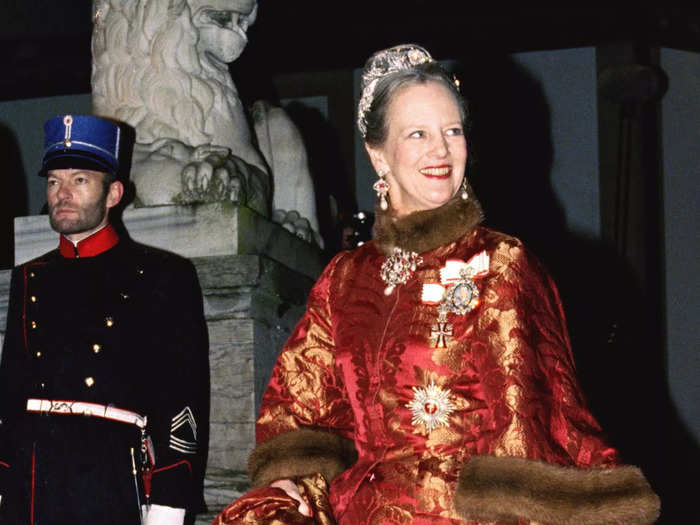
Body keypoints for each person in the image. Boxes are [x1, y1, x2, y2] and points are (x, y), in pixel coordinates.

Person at [211, 45, 659, 524]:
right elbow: (300, 404)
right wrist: (289, 477)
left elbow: (528, 419)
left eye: (452, 130)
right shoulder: (344, 277)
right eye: (418, 133)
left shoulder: (502, 262)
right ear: (378, 154)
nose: (441, 150)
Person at [0, 115, 210, 524]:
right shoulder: (29, 277)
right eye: (54, 181)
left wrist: (169, 499)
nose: (62, 193)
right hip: (32, 480)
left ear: (113, 193)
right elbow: (10, 389)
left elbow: (182, 393)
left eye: (79, 180)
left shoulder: (162, 275)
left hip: (109, 476)